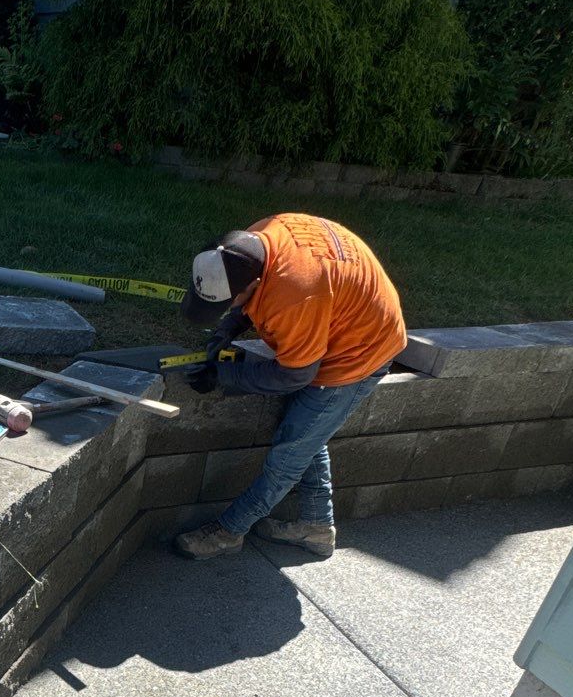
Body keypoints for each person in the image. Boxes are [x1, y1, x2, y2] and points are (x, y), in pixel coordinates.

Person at [172, 213, 407, 560]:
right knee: (307, 434)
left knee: (288, 456)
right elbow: (248, 300)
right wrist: (227, 330)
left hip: (358, 354)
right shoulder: (251, 243)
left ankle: (228, 532)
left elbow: (295, 376)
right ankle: (316, 527)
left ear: (252, 285)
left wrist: (224, 377)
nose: (225, 310)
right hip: (335, 321)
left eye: (226, 304)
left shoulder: (296, 293)